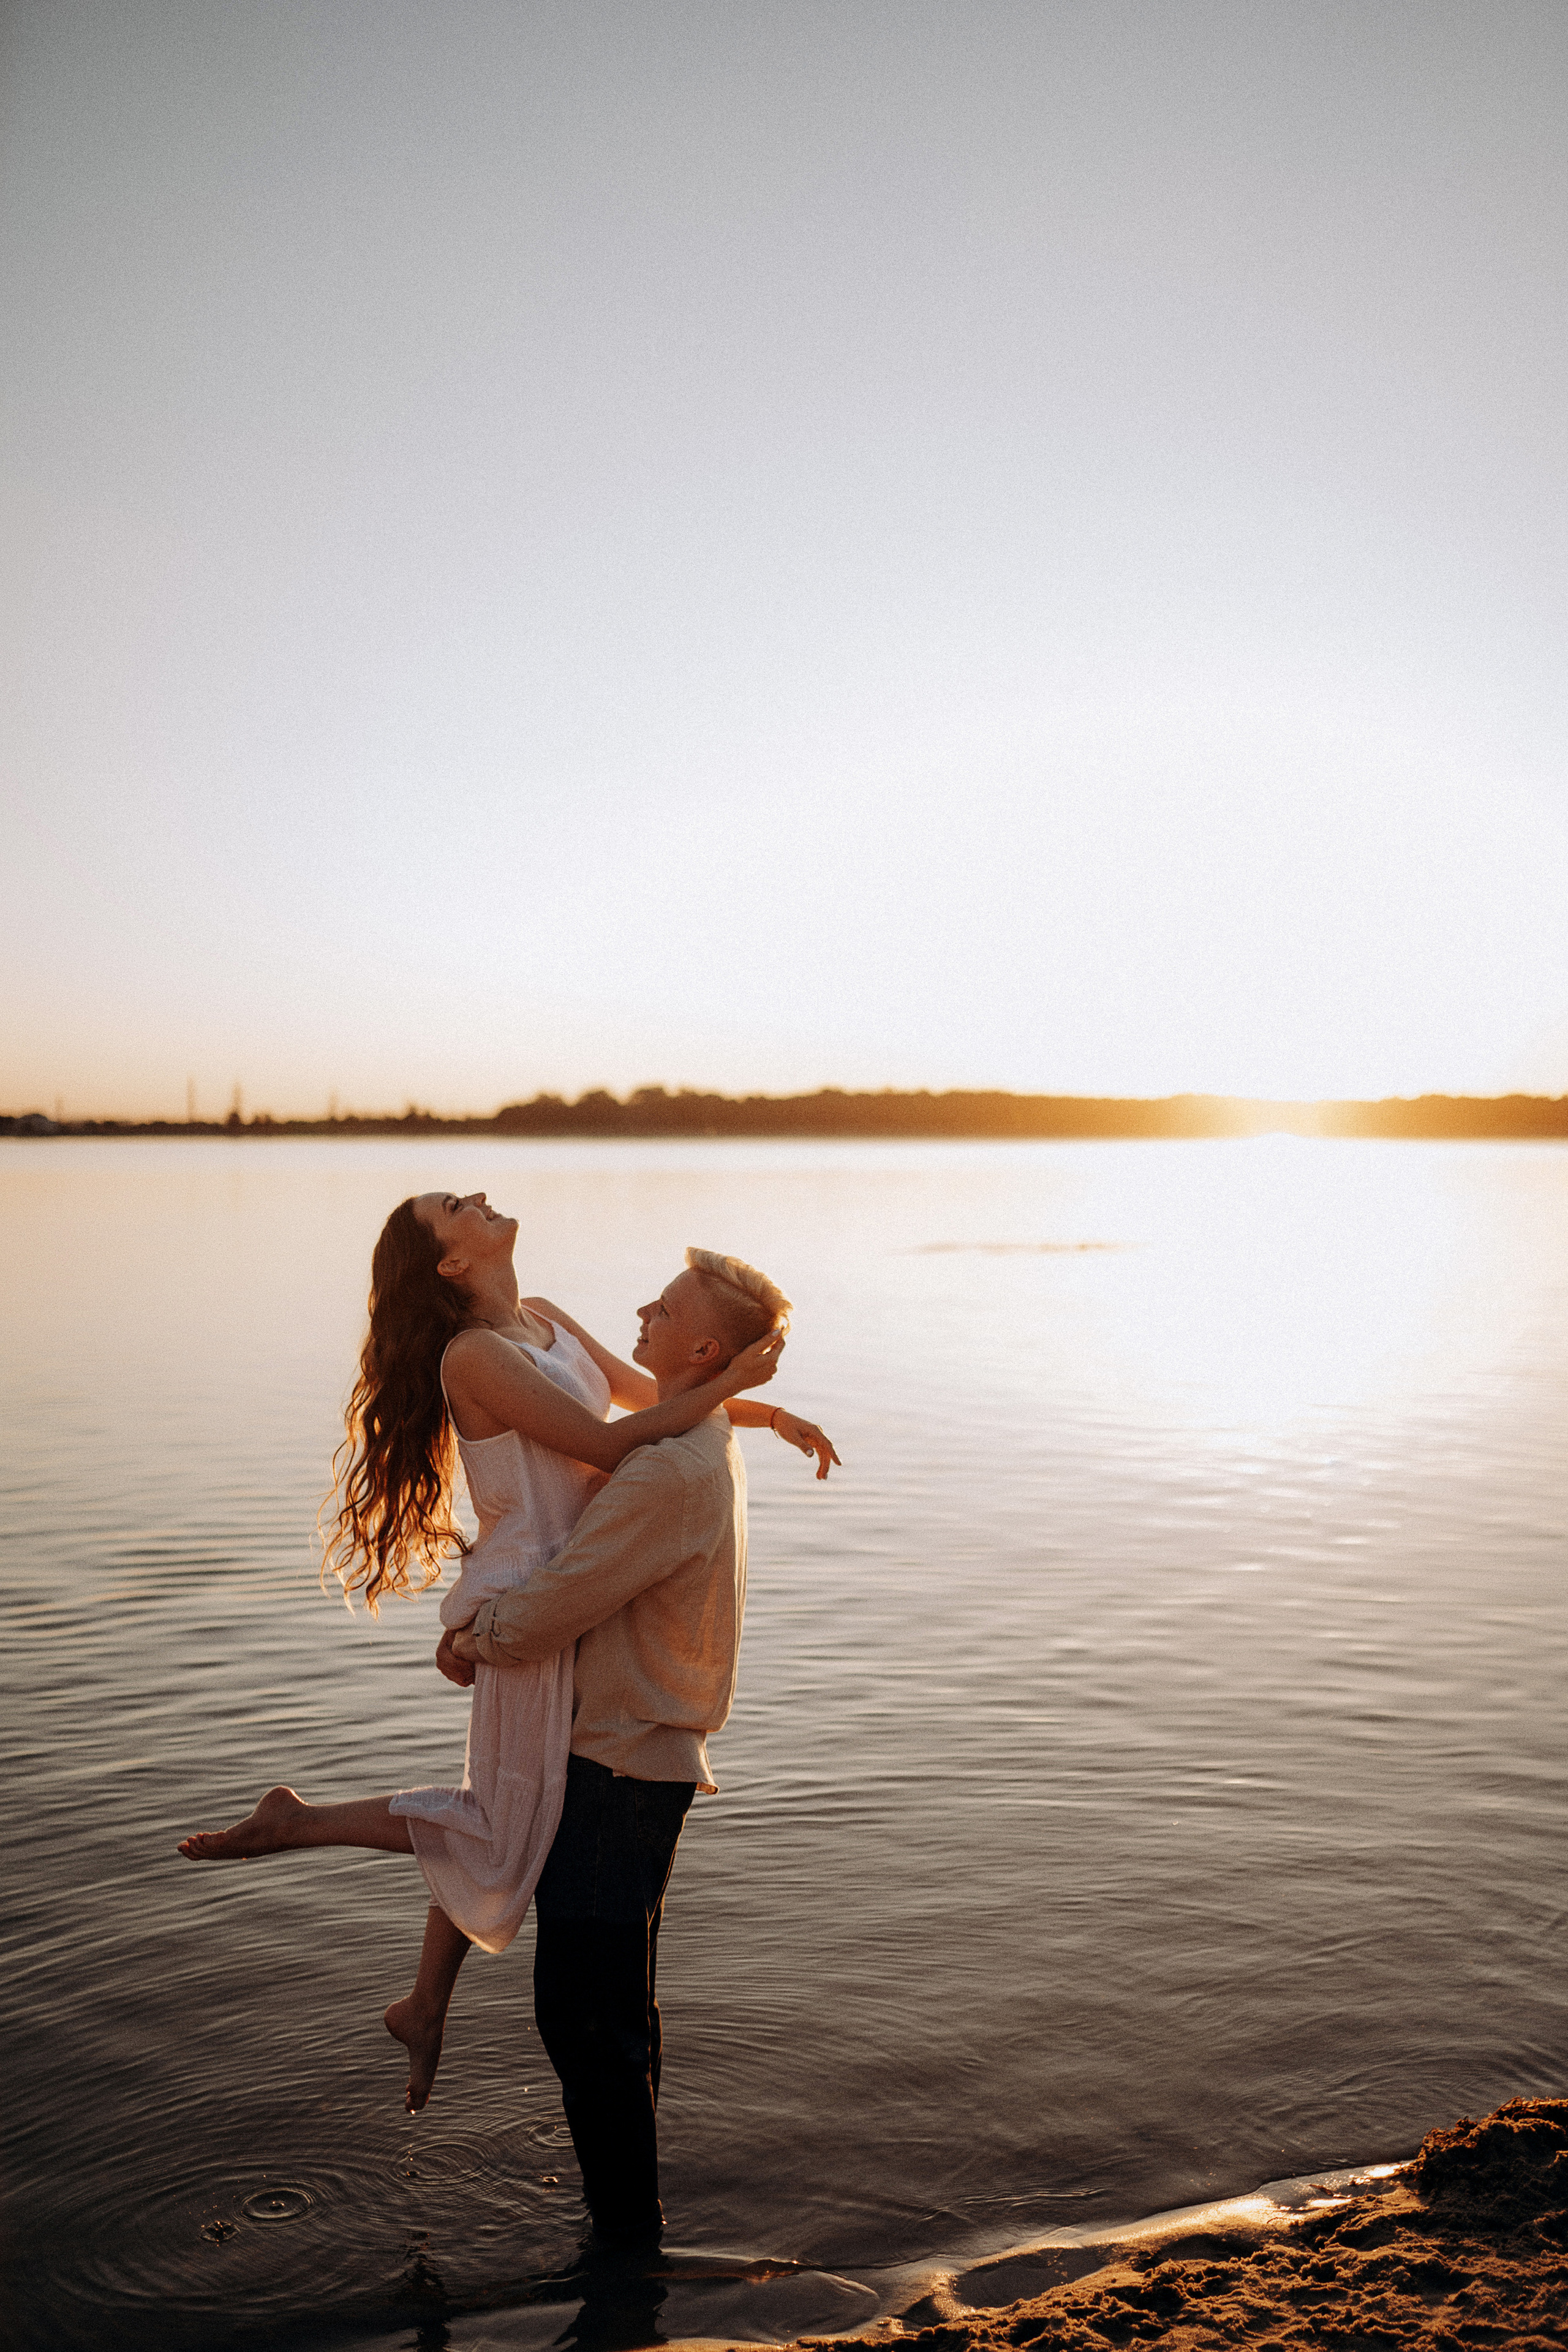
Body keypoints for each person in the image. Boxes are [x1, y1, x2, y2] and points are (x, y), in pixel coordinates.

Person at [178, 1191, 838, 2120]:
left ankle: (423, 2003)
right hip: (532, 1591)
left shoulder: (546, 1319)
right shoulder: (474, 1356)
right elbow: (610, 1440)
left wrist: (769, 1416)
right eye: (456, 1207)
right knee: (504, 1815)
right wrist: (735, 1383)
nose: (480, 1198)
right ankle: (301, 1828)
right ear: (451, 1263)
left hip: (578, 1580)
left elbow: (652, 1399)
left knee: (507, 1807)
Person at [440, 1242, 787, 2252]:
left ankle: (628, 2251)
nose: (643, 1311)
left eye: (665, 1308)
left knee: (587, 2018)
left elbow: (554, 1606)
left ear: (704, 1350)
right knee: (611, 2009)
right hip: (636, 1760)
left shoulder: (670, 1468)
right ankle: (632, 2232)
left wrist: (469, 1641)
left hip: (619, 1766)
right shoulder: (694, 1439)